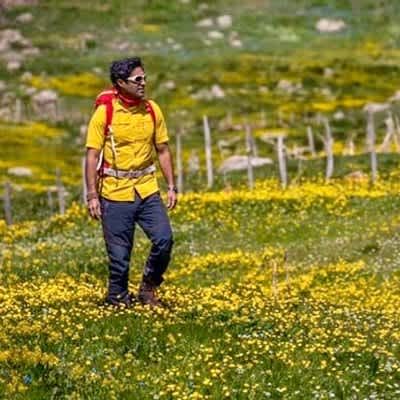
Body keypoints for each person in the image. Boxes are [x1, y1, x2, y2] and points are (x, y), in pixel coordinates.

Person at [85, 57, 177, 307]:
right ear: (120, 82)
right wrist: (92, 195)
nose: (143, 83)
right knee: (119, 256)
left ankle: (149, 288)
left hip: (147, 190)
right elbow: (92, 155)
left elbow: (163, 150)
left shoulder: (152, 110)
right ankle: (117, 301)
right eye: (137, 79)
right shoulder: (105, 113)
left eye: (144, 78)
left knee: (164, 240)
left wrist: (171, 186)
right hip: (114, 194)